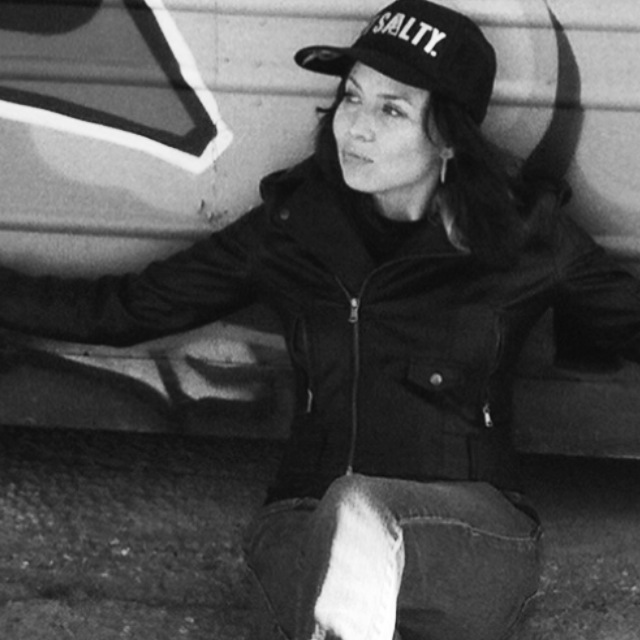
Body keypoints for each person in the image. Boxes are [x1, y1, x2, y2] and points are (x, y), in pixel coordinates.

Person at [1, 0, 640, 638]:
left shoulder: (523, 237)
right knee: (338, 528)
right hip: (303, 520)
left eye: (391, 110)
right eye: (351, 98)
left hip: (470, 535)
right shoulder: (293, 228)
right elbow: (123, 309)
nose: (355, 128)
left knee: (359, 509)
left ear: (448, 137)